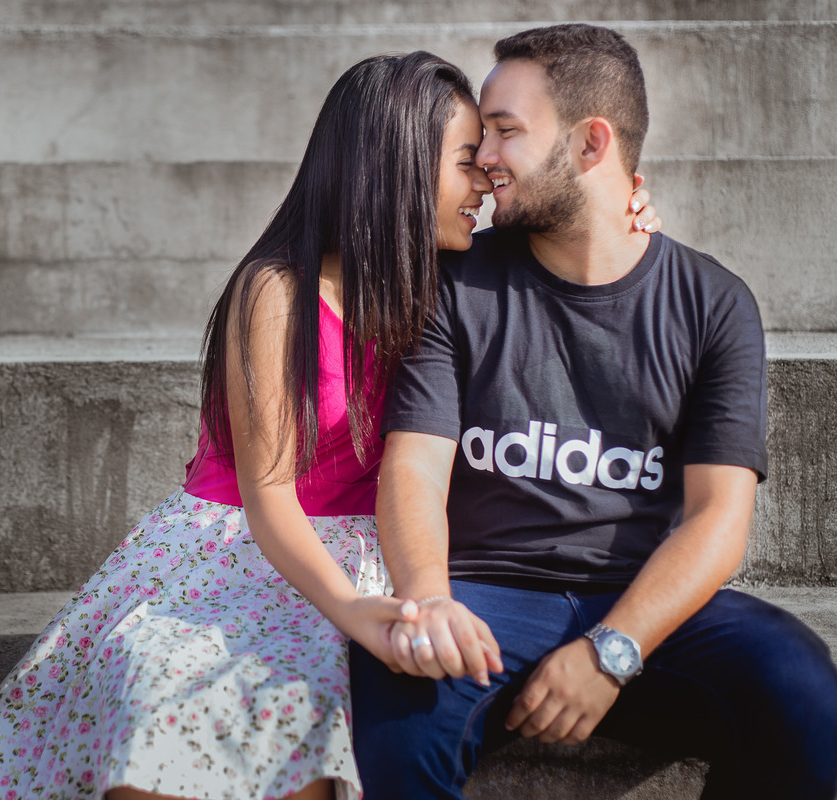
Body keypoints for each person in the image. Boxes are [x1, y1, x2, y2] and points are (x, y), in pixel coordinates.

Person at [0, 51, 658, 800]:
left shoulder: (459, 281)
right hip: (246, 551)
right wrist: (350, 610)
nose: (484, 179)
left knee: (317, 705)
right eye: (465, 162)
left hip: (384, 551)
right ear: (395, 169)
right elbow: (269, 495)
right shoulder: (278, 291)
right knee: (167, 686)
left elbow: (582, 252)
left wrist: (627, 215)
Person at [349, 23, 837, 800]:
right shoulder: (456, 285)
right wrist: (429, 598)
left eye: (506, 130)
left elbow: (718, 519)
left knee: (803, 687)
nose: (483, 156)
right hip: (481, 596)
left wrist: (616, 647)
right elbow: (412, 466)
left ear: (589, 144)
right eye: (481, 134)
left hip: (636, 601)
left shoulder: (713, 305)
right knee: (400, 708)